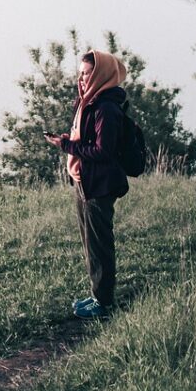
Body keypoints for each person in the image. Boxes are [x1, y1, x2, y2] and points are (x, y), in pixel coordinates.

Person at [45, 49, 129, 319]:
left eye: (87, 74)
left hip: (99, 184)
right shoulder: (88, 102)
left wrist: (66, 145)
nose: (81, 79)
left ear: (101, 74)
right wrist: (70, 141)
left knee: (100, 243)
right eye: (80, 74)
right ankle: (97, 296)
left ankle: (103, 303)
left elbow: (103, 152)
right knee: (90, 243)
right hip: (85, 180)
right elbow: (88, 141)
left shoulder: (106, 107)